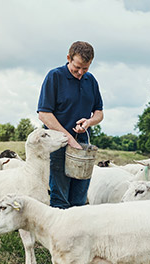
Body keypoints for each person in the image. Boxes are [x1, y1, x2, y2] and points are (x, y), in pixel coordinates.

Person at [37, 41, 104, 209]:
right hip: (57, 148)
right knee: (60, 199)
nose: (81, 72)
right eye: (77, 67)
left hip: (82, 147)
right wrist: (68, 138)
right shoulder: (55, 77)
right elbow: (44, 114)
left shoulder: (91, 81)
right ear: (68, 58)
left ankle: (77, 234)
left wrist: (89, 122)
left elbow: (99, 112)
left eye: (86, 68)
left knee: (80, 200)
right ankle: (58, 234)